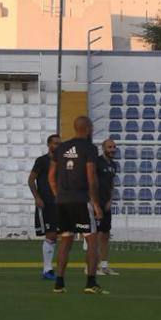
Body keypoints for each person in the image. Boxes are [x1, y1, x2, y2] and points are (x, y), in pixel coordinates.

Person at [48, 115, 107, 294]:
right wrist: (96, 203)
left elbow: (51, 177)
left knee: (65, 242)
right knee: (92, 241)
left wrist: (59, 195)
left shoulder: (62, 148)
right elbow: (91, 176)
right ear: (88, 128)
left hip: (62, 202)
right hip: (81, 200)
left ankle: (59, 283)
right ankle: (90, 283)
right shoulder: (89, 148)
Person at [28, 134, 61, 280]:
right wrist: (37, 197)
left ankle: (49, 270)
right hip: (45, 202)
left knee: (55, 235)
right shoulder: (42, 161)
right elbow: (31, 180)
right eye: (55, 143)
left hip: (58, 204)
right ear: (49, 144)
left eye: (60, 143)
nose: (57, 146)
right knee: (50, 234)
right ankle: (47, 270)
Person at [95, 138, 119, 276]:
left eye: (114, 147)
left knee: (105, 235)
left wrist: (110, 200)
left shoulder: (114, 165)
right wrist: (94, 203)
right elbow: (90, 183)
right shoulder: (97, 162)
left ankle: (104, 266)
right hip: (96, 204)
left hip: (106, 204)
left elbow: (111, 184)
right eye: (110, 147)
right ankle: (93, 267)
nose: (113, 149)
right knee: (96, 236)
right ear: (103, 148)